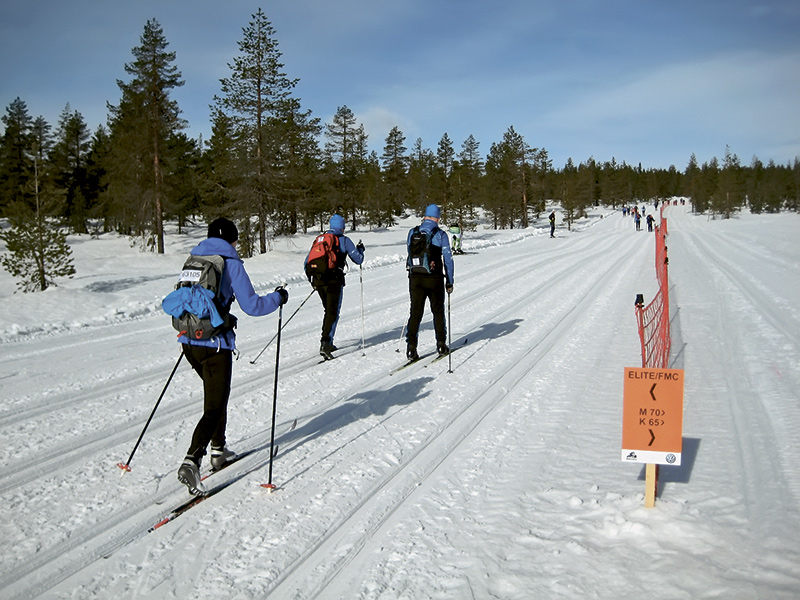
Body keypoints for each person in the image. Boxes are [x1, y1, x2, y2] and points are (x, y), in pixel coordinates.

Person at [165, 217, 288, 496]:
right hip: (215, 345)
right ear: (233, 240)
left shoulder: (194, 260)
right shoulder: (231, 263)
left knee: (217, 398)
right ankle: (191, 461)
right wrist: (278, 298)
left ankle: (218, 450)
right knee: (214, 406)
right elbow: (253, 306)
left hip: (188, 341)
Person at [305, 214, 365, 360]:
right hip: (334, 280)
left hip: (319, 281)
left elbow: (306, 262)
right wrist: (361, 249)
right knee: (332, 312)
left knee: (328, 311)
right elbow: (358, 259)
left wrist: (312, 280)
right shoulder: (343, 240)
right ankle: (325, 343)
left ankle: (328, 341)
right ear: (342, 227)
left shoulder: (320, 239)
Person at [405, 204, 454, 360]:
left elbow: (409, 253)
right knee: (438, 312)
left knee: (415, 313)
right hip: (434, 278)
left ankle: (411, 348)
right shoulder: (440, 234)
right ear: (437, 217)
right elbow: (448, 259)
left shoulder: (413, 232)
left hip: (415, 277)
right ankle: (441, 344)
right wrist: (450, 281)